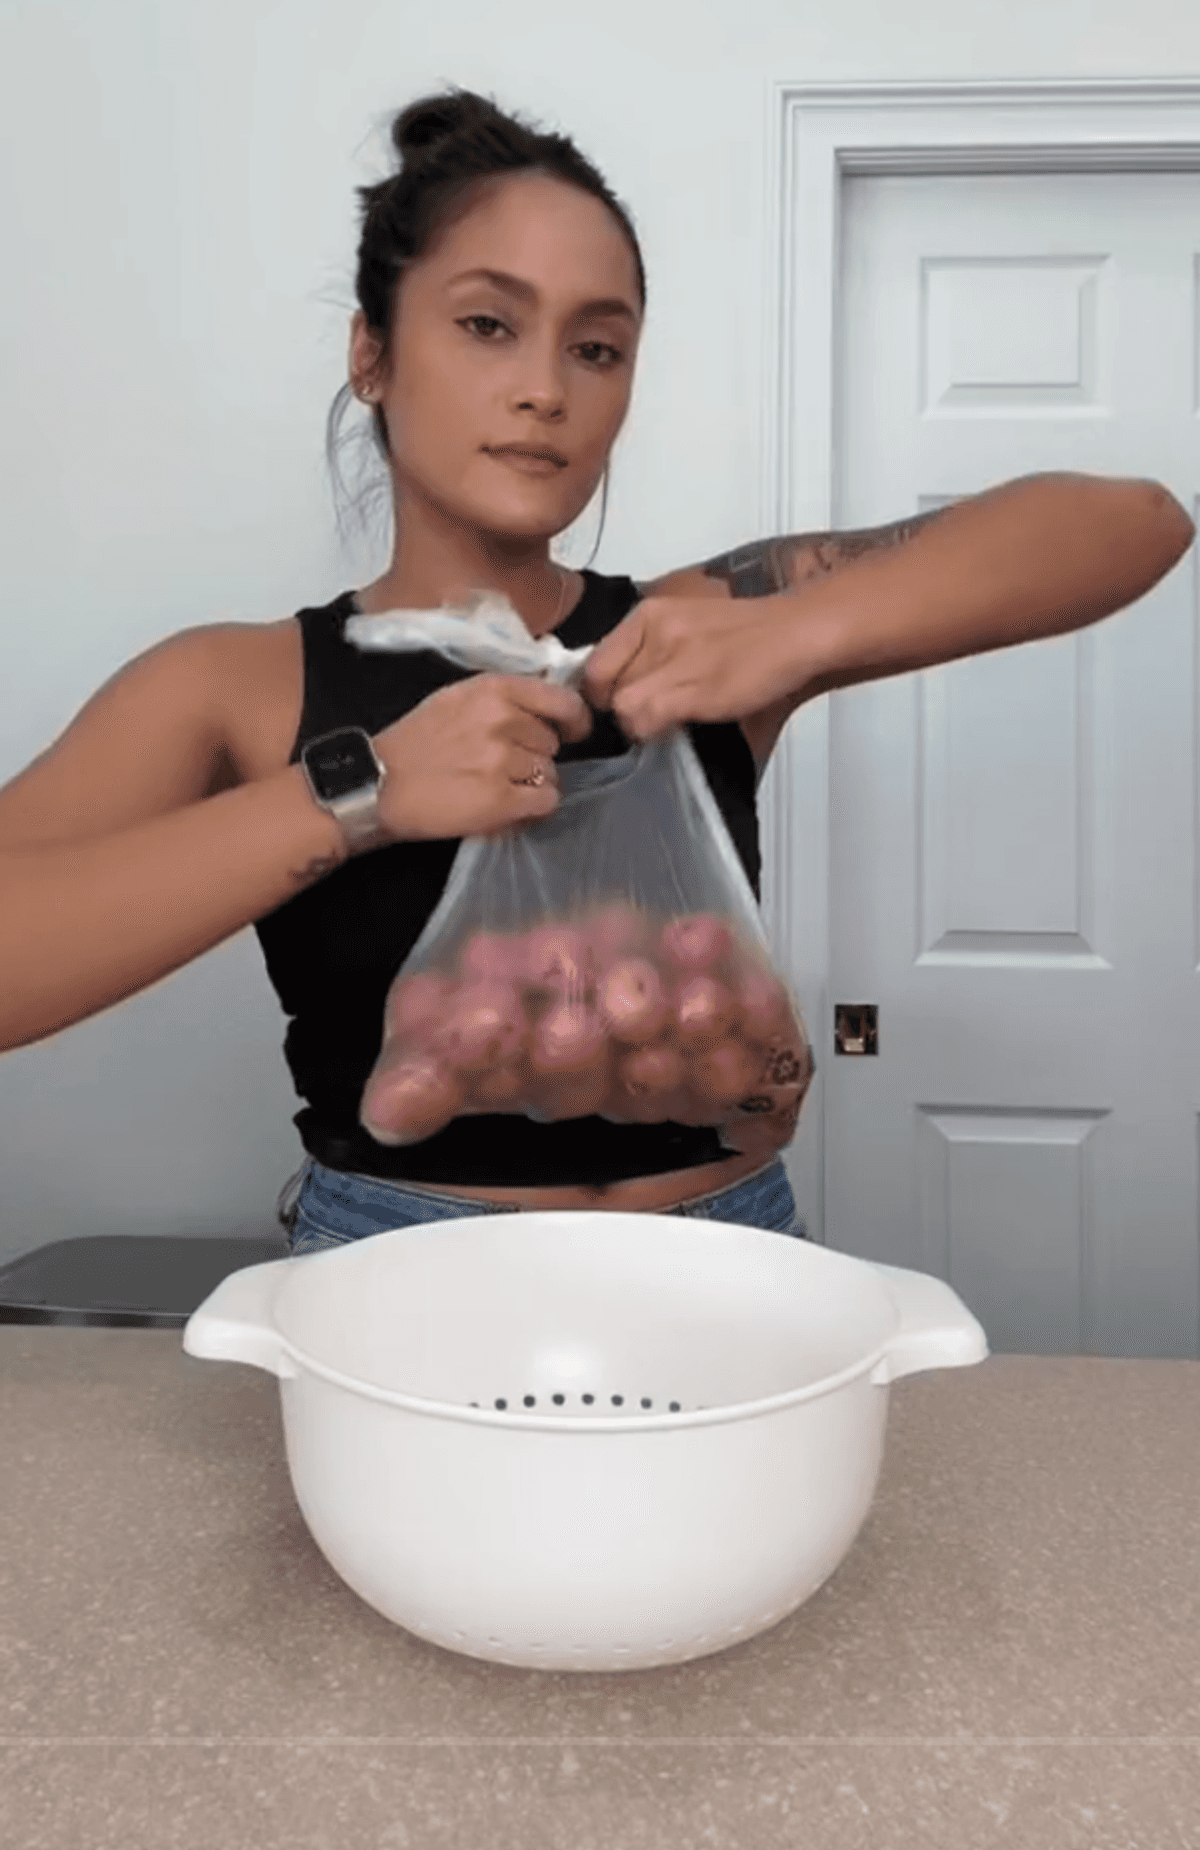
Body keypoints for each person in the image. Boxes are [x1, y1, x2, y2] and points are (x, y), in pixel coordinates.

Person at [0, 84, 809, 1254]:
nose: (547, 389)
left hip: (732, 1260)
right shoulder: (238, 684)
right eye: (488, 324)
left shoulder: (702, 636)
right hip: (390, 1279)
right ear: (371, 353)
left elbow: (1131, 523)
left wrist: (805, 630)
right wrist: (361, 788)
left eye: (598, 347)